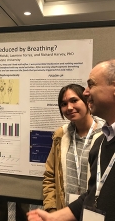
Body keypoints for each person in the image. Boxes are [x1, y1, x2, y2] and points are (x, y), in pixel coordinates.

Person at [27, 59, 115, 221]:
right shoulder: (103, 140)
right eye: (63, 104)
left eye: (92, 84)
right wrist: (53, 215)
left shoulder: (100, 137)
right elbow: (94, 192)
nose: (87, 92)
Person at [43, 84, 104, 212]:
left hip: (94, 212)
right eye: (64, 104)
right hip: (64, 211)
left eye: (74, 100)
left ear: (87, 101)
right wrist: (52, 209)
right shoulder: (61, 136)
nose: (69, 107)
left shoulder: (105, 135)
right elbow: (50, 176)